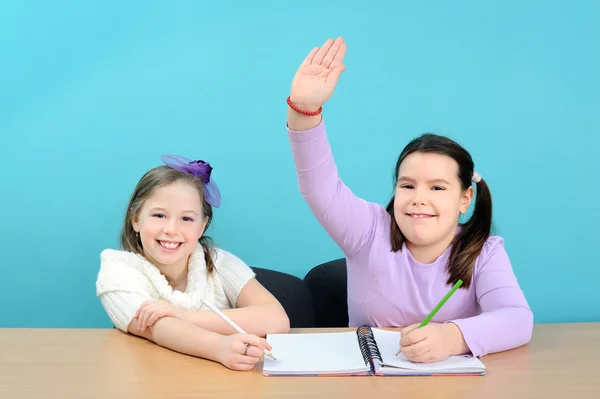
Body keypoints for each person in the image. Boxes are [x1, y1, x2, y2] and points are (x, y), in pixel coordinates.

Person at [285, 37, 533, 362]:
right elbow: (319, 186)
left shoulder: (484, 252)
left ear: (465, 198)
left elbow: (518, 319)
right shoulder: (368, 230)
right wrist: (304, 109)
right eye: (407, 186)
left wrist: (453, 337)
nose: (419, 199)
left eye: (437, 188)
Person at [96, 155, 290, 371]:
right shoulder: (117, 271)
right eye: (159, 215)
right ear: (135, 220)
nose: (171, 229)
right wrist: (220, 347)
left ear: (201, 227)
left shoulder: (218, 263)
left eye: (186, 219)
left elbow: (276, 319)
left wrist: (185, 316)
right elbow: (159, 328)